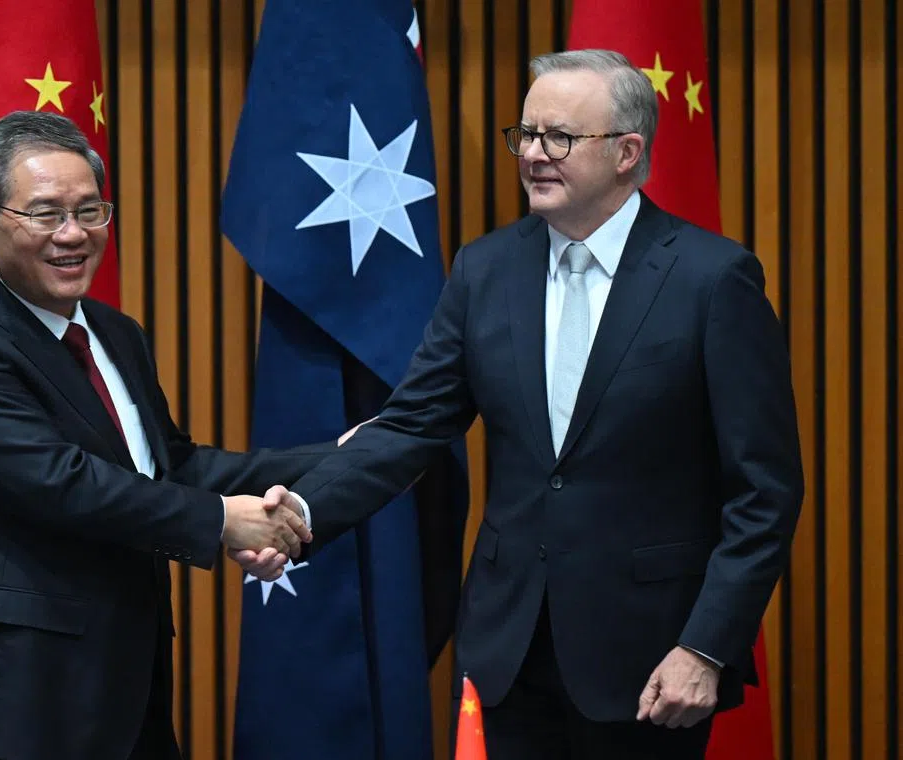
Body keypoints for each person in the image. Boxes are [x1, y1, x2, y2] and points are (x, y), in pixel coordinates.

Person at [250, 49, 803, 758]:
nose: (535, 154)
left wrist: (706, 645)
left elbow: (765, 491)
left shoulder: (712, 279)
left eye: (560, 138)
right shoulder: (486, 269)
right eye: (527, 135)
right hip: (507, 649)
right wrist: (300, 514)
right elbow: (414, 425)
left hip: (650, 658)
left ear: (628, 152)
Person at [0, 110, 321, 760]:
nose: (74, 234)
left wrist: (327, 461)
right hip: (16, 701)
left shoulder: (114, 333)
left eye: (90, 211)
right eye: (46, 214)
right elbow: (62, 484)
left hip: (127, 690)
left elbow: (169, 467)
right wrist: (219, 523)